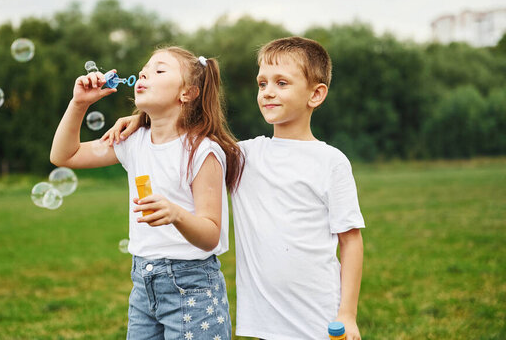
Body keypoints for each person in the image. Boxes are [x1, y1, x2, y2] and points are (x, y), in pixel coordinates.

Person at [103, 37, 365, 340]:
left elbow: (351, 241)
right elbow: (184, 141)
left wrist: (347, 313)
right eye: (262, 83)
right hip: (266, 320)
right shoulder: (242, 156)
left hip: (321, 315)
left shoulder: (331, 161)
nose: (268, 92)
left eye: (282, 83)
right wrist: (143, 120)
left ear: (316, 94)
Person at [50, 46, 244, 340]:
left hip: (192, 286)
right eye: (144, 70)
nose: (144, 73)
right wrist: (79, 104)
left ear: (188, 93)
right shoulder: (132, 140)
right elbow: (65, 155)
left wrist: (176, 214)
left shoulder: (202, 152)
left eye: (159, 70)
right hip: (143, 283)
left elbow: (210, 235)